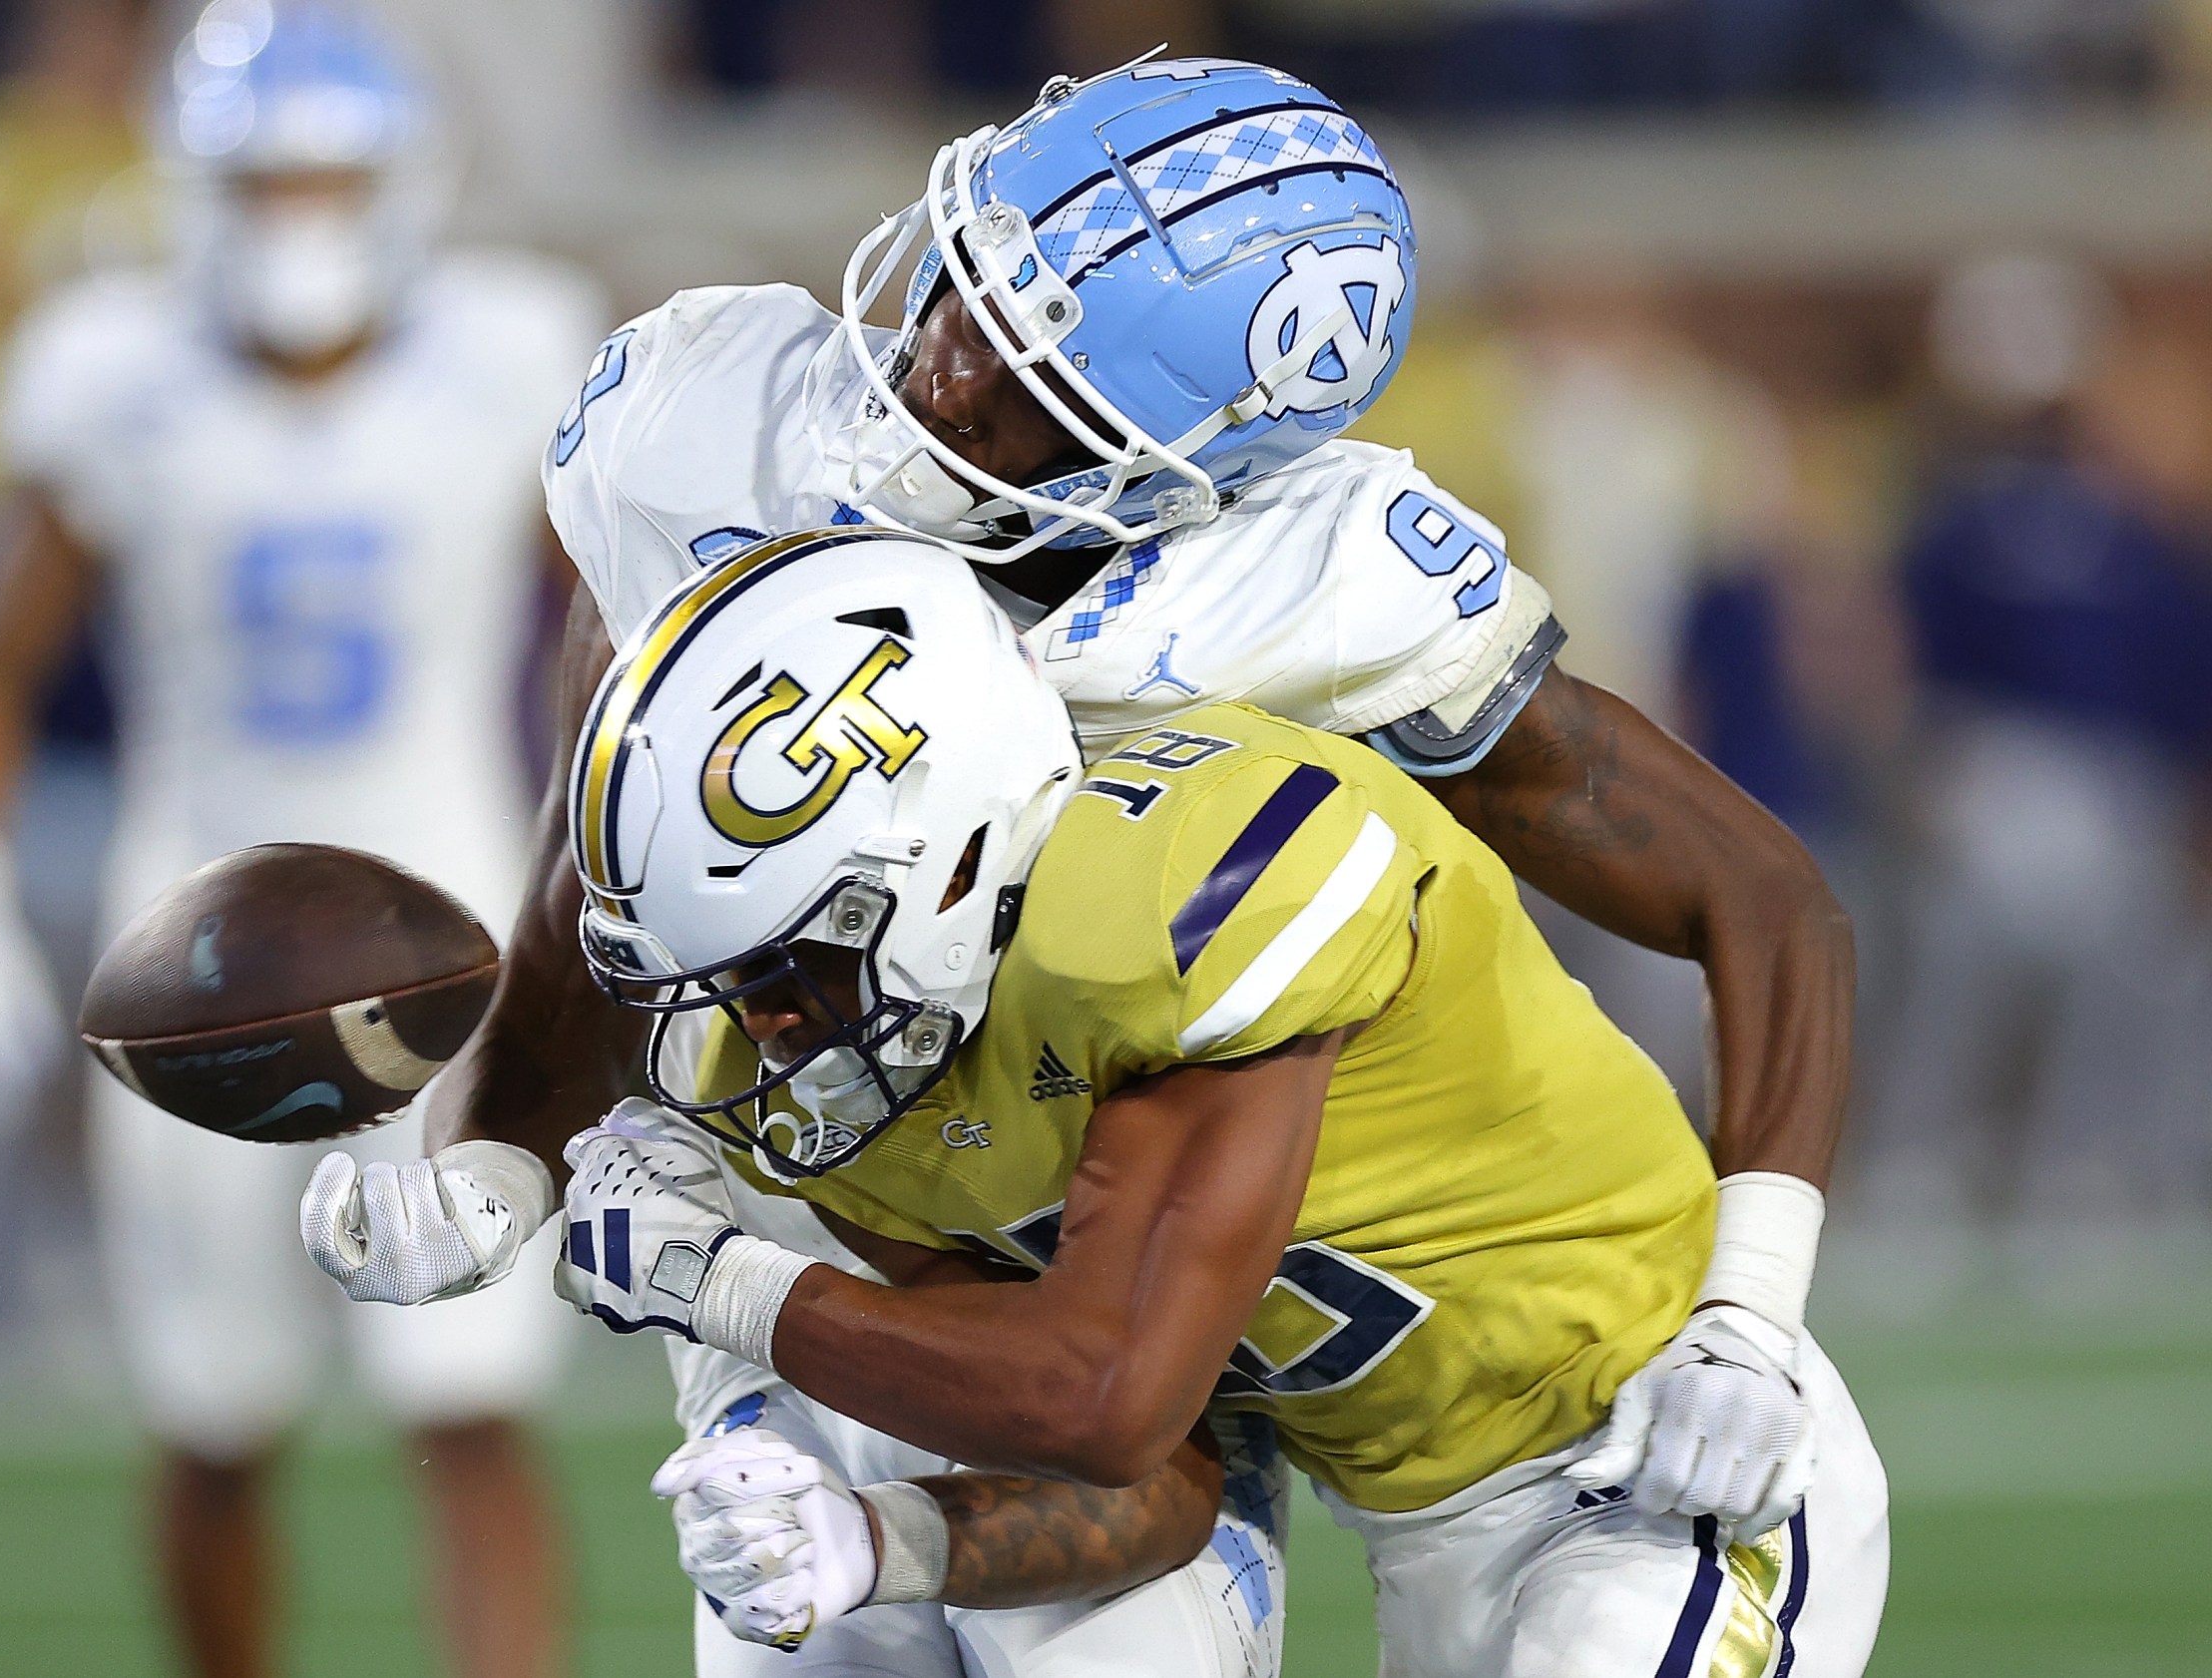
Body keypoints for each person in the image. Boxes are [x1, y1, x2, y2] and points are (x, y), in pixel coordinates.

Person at [298, 56, 1857, 1676]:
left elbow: (1759, 893)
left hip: (1185, 1217)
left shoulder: (1312, 592)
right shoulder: (709, 427)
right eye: (961, 288)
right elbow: (615, 871)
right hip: (916, 1183)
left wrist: (1752, 1303)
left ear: (1195, 473)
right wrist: (503, 1158)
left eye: (1025, 386)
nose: (937, 373)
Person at [560, 530, 1890, 1674]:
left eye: (790, 963)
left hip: (1660, 1447)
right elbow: (1147, 1478)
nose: (767, 1026)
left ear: (945, 853)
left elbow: (1103, 1395)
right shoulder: (839, 1081)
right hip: (1424, 1523)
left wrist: (721, 1282)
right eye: (726, 981)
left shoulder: (1194, 896)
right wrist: (872, 1541)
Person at [0, 7, 598, 1676]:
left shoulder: (518, 344)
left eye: (327, 184)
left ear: (407, 184)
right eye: (263, 187)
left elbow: (624, 648)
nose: (297, 219)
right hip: (191, 946)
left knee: (478, 1401)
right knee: (215, 1413)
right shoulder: (109, 365)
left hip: (455, 925)